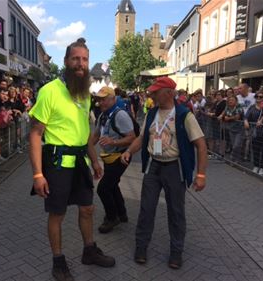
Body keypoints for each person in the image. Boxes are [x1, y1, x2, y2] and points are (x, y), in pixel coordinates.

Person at [29, 38, 115, 281]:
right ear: (66, 61)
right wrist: (38, 174)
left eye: (85, 59)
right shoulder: (50, 91)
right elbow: (35, 135)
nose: (81, 63)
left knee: (87, 208)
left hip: (81, 163)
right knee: (57, 214)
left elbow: (85, 132)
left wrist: (95, 160)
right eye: (76, 59)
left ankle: (89, 251)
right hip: (57, 165)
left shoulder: (84, 94)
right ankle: (58, 261)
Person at [121, 76, 207, 269]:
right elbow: (142, 138)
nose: (151, 95)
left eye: (155, 92)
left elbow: (201, 145)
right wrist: (128, 151)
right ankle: (141, 247)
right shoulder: (152, 114)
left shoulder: (185, 115)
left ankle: (176, 253)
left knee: (176, 212)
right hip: (154, 166)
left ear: (168, 93)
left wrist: (200, 175)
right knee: (146, 209)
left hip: (174, 168)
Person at [90, 86, 136, 234]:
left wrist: (113, 142)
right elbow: (95, 136)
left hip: (121, 157)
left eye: (104, 99)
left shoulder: (120, 115)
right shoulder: (103, 115)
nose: (100, 103)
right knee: (113, 185)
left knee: (103, 188)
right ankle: (122, 214)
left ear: (113, 99)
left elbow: (132, 138)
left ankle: (112, 217)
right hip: (109, 157)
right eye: (99, 99)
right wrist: (85, 149)